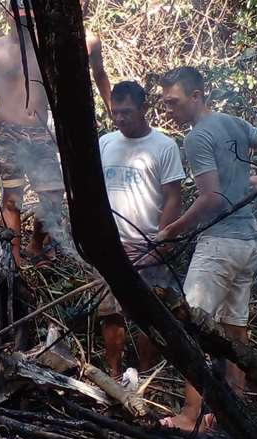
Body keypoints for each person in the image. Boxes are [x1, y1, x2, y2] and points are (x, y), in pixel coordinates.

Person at [158, 66, 257, 432]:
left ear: (196, 95)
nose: (169, 110)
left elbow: (212, 198)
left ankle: (191, 416)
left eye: (174, 102)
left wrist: (171, 229)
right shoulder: (232, 123)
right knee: (235, 330)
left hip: (219, 244)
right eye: (165, 103)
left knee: (188, 327)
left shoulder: (198, 137)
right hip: (248, 244)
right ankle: (237, 415)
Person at [98, 81, 185, 378]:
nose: (120, 119)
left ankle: (145, 375)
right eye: (115, 112)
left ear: (144, 109)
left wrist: (161, 240)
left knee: (150, 314)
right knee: (111, 313)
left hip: (148, 243)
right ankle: (113, 376)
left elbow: (174, 196)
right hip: (110, 245)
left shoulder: (164, 146)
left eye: (127, 112)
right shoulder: (105, 143)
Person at [0, 2, 65, 267]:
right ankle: (13, 258)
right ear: (8, 13)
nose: (22, 20)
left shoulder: (46, 48)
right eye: (18, 14)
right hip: (7, 132)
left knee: (54, 194)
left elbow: (61, 93)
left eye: (28, 15)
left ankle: (36, 245)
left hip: (40, 133)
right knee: (13, 198)